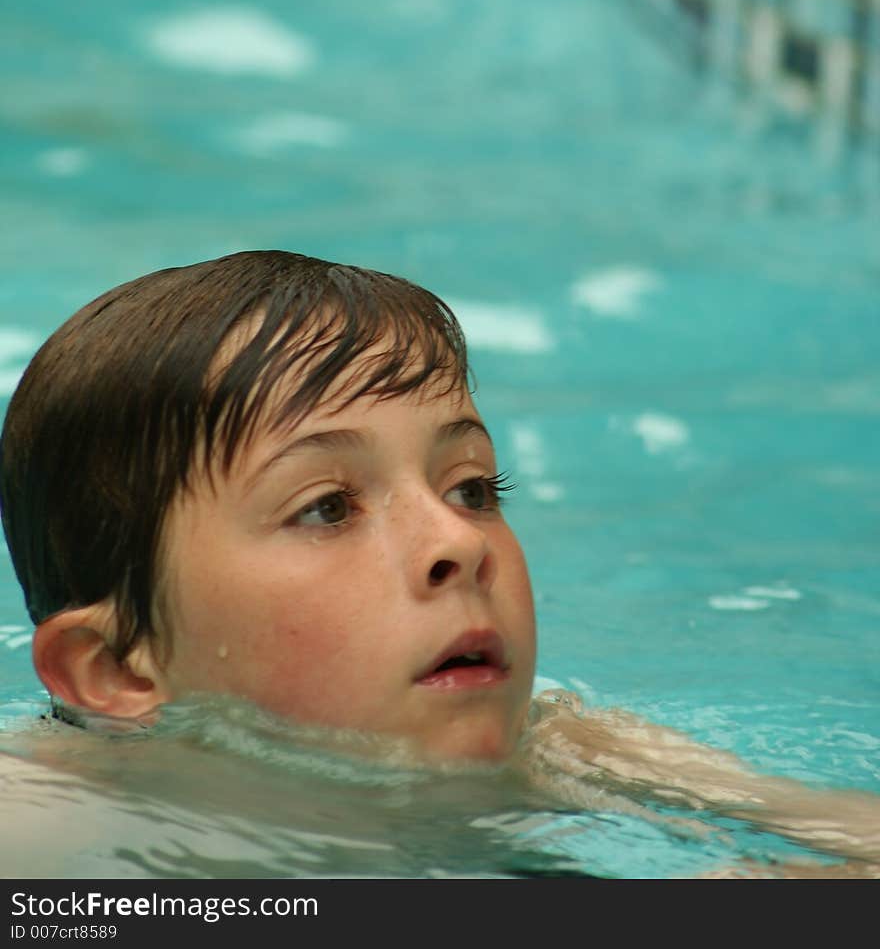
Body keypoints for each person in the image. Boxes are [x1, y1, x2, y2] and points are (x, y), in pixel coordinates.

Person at [0, 250, 877, 876]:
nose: (458, 543)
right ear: (114, 668)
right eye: (327, 508)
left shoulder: (565, 748)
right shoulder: (44, 831)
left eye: (472, 488)